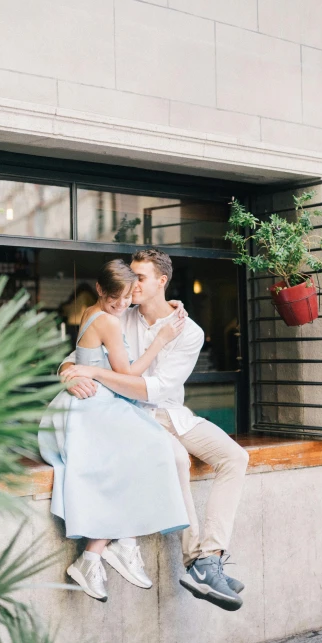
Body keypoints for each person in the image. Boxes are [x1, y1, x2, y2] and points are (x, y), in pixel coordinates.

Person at [62, 248, 249, 612]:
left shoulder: (188, 331)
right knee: (176, 458)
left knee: (235, 456)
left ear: (162, 282)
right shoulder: (119, 313)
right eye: (130, 276)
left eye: (141, 277)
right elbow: (75, 358)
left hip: (169, 413)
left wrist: (99, 374)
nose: (132, 284)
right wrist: (68, 376)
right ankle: (200, 563)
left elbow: (155, 388)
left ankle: (210, 554)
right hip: (132, 418)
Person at [38, 259, 189, 602]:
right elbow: (129, 374)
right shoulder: (106, 320)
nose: (121, 305)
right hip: (96, 407)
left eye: (126, 298)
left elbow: (80, 360)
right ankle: (117, 546)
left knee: (141, 452)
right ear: (100, 290)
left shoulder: (95, 312)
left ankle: (102, 552)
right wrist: (161, 341)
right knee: (149, 447)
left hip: (95, 404)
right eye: (114, 298)